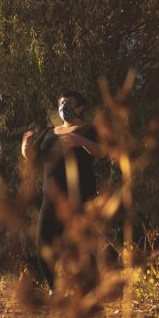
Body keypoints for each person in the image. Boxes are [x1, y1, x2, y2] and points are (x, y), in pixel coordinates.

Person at [20, 91, 106, 289]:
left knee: (83, 245)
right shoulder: (50, 131)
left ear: (80, 107)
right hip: (51, 196)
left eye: (68, 103)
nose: (63, 107)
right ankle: (55, 289)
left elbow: (103, 152)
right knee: (43, 241)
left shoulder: (89, 129)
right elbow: (34, 157)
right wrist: (26, 148)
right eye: (60, 103)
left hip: (81, 195)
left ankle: (88, 293)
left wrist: (80, 141)